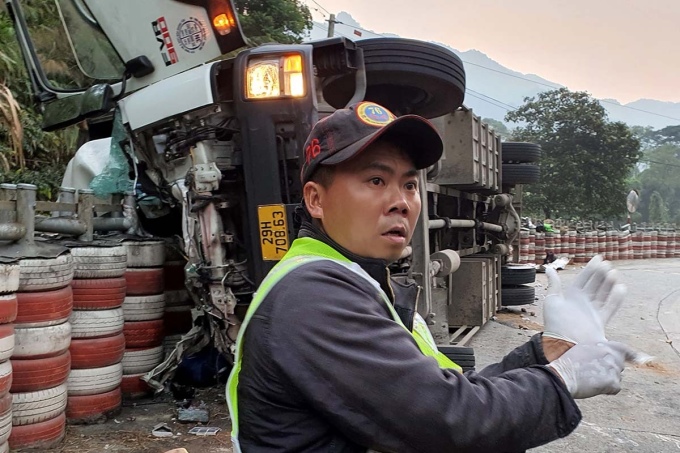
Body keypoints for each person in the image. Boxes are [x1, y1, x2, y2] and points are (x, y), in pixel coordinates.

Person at [226, 101, 633, 453]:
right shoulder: (314, 297)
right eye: (376, 180)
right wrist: (561, 379)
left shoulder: (362, 281)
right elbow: (449, 421)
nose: (400, 202)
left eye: (409, 184)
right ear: (316, 200)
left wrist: (544, 353)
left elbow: (440, 389)